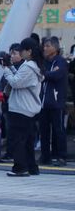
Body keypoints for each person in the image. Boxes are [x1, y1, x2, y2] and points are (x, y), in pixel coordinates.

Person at [2, 37, 43, 177]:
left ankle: (20, 168)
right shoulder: (34, 65)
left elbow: (15, 82)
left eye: (22, 50)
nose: (21, 52)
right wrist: (11, 67)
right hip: (29, 109)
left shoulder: (28, 66)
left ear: (29, 51)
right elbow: (20, 77)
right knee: (27, 141)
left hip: (20, 108)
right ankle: (32, 167)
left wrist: (6, 69)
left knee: (18, 140)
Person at [40, 36, 68, 166]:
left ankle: (61, 156)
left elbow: (55, 75)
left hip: (57, 102)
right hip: (43, 103)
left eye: (48, 46)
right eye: (44, 46)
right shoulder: (44, 62)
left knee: (58, 130)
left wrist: (44, 74)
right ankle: (45, 156)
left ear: (55, 48)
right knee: (44, 131)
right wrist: (45, 74)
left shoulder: (61, 62)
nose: (44, 48)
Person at [0, 43, 23, 161]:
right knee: (9, 129)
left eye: (14, 53)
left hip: (16, 103)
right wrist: (0, 92)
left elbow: (14, 82)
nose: (11, 56)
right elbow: (3, 82)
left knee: (15, 131)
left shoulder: (23, 68)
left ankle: (14, 154)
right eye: (11, 53)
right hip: (6, 103)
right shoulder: (11, 66)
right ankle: (9, 152)